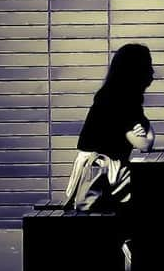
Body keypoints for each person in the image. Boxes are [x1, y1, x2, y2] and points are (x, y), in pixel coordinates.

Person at [65, 43, 156, 214]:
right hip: (100, 172)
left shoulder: (111, 94)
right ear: (137, 70)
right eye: (149, 65)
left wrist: (144, 129)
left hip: (92, 170)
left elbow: (143, 141)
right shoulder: (124, 100)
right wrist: (148, 128)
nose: (153, 72)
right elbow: (144, 145)